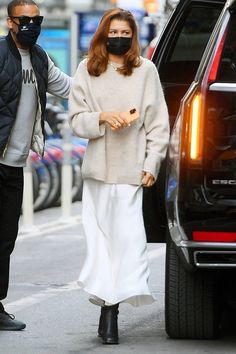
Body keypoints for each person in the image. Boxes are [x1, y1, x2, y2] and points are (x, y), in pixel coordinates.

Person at [69, 8, 169, 345]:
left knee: (127, 242)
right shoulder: (87, 69)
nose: (120, 38)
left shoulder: (146, 71)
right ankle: (106, 307)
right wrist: (103, 117)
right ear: (102, 33)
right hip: (98, 169)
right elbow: (75, 120)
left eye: (126, 33)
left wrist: (151, 163)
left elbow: (158, 125)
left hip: (130, 171)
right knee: (100, 242)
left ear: (134, 36)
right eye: (114, 32)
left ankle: (111, 309)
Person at [0, 0, 72, 330]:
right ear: (10, 22)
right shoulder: (0, 55)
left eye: (36, 18)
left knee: (5, 238)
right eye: (24, 19)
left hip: (14, 164)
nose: (31, 24)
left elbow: (68, 87)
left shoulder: (41, 58)